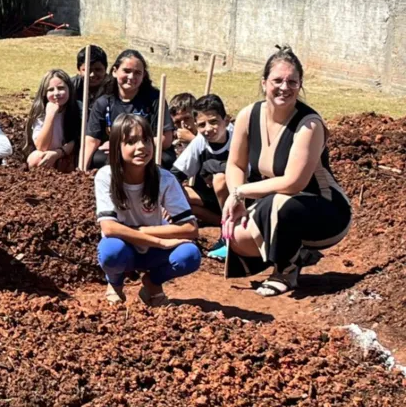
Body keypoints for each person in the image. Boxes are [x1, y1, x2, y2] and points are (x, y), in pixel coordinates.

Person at [221, 46, 352, 297]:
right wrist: (236, 198)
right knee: (236, 235)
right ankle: (297, 252)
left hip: (326, 210)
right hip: (275, 204)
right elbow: (235, 164)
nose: (284, 87)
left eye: (292, 82)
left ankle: (286, 270)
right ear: (264, 82)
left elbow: (294, 183)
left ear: (300, 85)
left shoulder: (309, 124)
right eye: (277, 80)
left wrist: (240, 192)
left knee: (281, 203)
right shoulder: (248, 115)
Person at [95, 114, 201, 306]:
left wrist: (140, 231)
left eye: (145, 140)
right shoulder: (106, 176)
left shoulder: (165, 178)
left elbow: (191, 228)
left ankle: (152, 283)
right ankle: (115, 283)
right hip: (125, 247)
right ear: (117, 147)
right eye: (131, 142)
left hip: (150, 250)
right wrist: (159, 240)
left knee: (190, 255)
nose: (141, 147)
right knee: (111, 251)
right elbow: (109, 228)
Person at [83, 49, 175, 170]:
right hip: (114, 155)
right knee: (99, 158)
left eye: (137, 73)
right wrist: (82, 171)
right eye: (126, 71)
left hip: (147, 151)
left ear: (143, 76)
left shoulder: (155, 100)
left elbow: (165, 139)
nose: (131, 77)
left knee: (165, 159)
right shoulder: (103, 102)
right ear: (115, 72)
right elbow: (92, 140)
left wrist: (125, 146)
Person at [171, 95, 233, 258]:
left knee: (221, 180)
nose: (208, 129)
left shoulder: (238, 136)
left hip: (243, 200)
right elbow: (175, 175)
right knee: (179, 194)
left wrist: (209, 167)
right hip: (215, 201)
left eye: (213, 122)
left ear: (225, 121)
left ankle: (229, 238)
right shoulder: (201, 141)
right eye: (202, 125)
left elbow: (247, 172)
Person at [23, 69, 81, 172]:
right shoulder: (40, 113)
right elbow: (41, 146)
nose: (56, 93)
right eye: (51, 90)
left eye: (61, 88)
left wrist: (57, 153)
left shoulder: (78, 109)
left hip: (69, 155)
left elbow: (77, 141)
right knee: (35, 158)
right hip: (46, 155)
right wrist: (50, 115)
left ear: (69, 89)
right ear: (44, 93)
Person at [69, 45, 112, 110]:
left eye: (98, 69)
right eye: (88, 70)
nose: (92, 75)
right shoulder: (71, 87)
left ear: (105, 69)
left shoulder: (114, 87)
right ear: (79, 69)